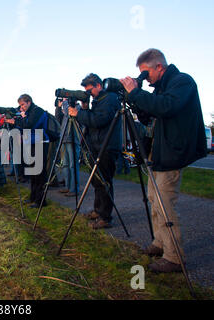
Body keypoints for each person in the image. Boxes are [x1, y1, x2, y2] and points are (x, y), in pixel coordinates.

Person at [120, 48, 207, 273]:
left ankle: (174, 257)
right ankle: (160, 242)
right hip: (158, 150)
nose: (145, 77)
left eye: (146, 72)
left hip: (172, 151)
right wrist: (135, 99)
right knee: (153, 197)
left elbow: (167, 107)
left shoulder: (182, 82)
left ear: (159, 66)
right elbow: (151, 114)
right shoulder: (160, 88)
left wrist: (137, 93)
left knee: (164, 202)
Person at [68, 73, 122, 229]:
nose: (89, 94)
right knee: (97, 181)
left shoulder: (110, 98)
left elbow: (99, 120)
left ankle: (105, 217)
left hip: (107, 145)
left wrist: (79, 113)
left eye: (90, 90)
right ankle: (98, 211)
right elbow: (92, 118)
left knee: (104, 182)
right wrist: (85, 108)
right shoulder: (98, 100)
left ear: (99, 85)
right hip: (96, 145)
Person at [12, 94, 50, 208]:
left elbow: (29, 126)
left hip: (40, 143)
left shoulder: (37, 111)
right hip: (32, 143)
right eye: (20, 105)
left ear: (29, 102)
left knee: (38, 173)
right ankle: (33, 197)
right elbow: (22, 127)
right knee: (32, 173)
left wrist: (21, 119)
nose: (21, 107)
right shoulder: (29, 112)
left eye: (23, 104)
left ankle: (40, 201)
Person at [56, 99, 81, 197]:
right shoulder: (65, 108)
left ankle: (74, 189)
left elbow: (69, 113)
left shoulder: (77, 108)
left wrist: (65, 103)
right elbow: (58, 118)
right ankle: (68, 187)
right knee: (65, 165)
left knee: (72, 165)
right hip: (64, 139)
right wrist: (58, 107)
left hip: (72, 139)